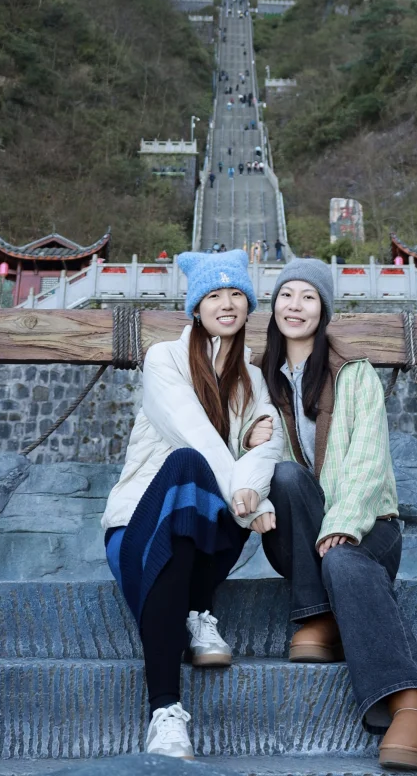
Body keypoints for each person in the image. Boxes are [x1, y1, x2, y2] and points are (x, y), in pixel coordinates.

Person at [251, 257, 417, 770]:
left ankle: (411, 701)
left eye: (308, 297)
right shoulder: (259, 380)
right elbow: (253, 463)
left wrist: (343, 523)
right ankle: (317, 615)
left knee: (344, 562)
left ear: (324, 309)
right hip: (299, 536)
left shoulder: (354, 375)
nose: (295, 306)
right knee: (285, 477)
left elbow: (369, 461)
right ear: (273, 307)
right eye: (287, 295)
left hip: (370, 526)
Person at [102, 249, 283, 760]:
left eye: (235, 295)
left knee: (248, 483)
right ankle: (165, 713)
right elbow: (195, 435)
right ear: (196, 308)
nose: (226, 304)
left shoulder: (251, 379)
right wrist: (244, 499)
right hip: (138, 528)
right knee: (186, 467)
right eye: (213, 296)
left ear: (248, 305)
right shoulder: (164, 360)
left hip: (199, 534)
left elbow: (267, 446)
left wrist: (249, 487)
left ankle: (196, 610)